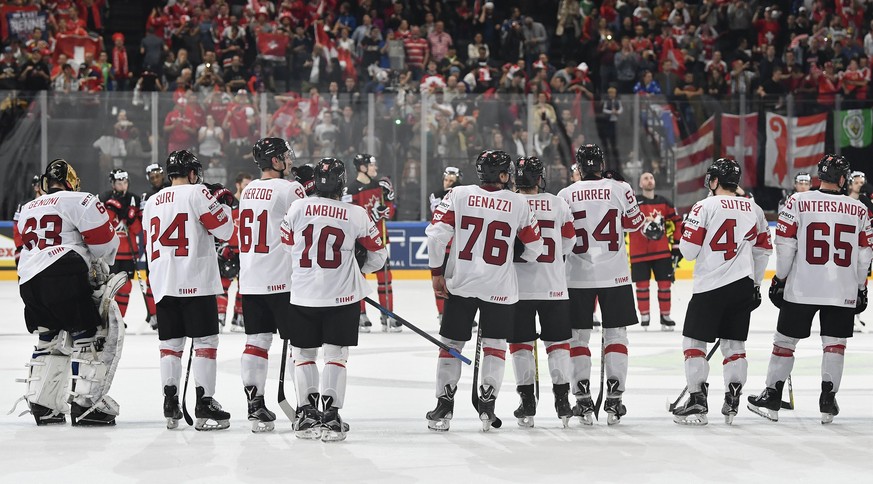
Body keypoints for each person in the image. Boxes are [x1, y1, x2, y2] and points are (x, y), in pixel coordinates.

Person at [748, 155, 872, 425]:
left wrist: (780, 278)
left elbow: (785, 244)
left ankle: (772, 395)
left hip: (802, 287)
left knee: (784, 343)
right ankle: (828, 400)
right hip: (842, 289)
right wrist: (861, 287)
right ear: (842, 179)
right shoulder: (859, 209)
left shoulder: (798, 201)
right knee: (835, 346)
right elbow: (864, 255)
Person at [425, 150, 543, 432]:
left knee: (451, 346)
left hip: (462, 284)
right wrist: (513, 255)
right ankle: (487, 405)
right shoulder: (518, 202)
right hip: (499, 287)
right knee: (495, 346)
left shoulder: (458, 194)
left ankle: (444, 406)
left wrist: (437, 274)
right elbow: (535, 248)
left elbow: (436, 236)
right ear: (503, 175)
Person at [280, 158, 388, 441]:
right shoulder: (356, 214)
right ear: (342, 183)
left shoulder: (297, 207)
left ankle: (306, 414)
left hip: (302, 294)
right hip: (342, 297)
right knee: (336, 356)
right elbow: (378, 257)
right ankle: (330, 416)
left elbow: (287, 244)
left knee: (303, 355)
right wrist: (357, 266)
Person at [15, 159, 123, 426]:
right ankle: (86, 405)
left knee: (48, 339)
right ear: (71, 180)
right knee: (94, 335)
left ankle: (43, 404)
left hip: (28, 281)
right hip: (62, 274)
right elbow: (105, 244)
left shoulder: (28, 207)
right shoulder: (80, 199)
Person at [671, 158, 772, 426]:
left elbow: (689, 252)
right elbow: (763, 251)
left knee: (694, 344)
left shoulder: (703, 206)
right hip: (742, 286)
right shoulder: (754, 208)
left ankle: (697, 401)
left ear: (715, 181)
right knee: (735, 345)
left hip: (710, 286)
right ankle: (732, 399)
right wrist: (755, 284)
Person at [143, 150, 235, 431]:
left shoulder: (150, 201)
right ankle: (204, 402)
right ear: (192, 173)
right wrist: (225, 207)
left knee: (170, 346)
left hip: (163, 282)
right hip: (195, 280)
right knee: (206, 343)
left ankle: (170, 402)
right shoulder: (198, 193)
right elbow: (226, 231)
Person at [558, 144, 644, 425]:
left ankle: (582, 398)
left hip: (577, 276)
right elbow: (635, 224)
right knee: (617, 335)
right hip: (615, 275)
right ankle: (615, 398)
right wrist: (620, 188)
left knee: (577, 338)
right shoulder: (620, 187)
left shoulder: (565, 194)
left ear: (579, 167)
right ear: (601, 163)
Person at [236, 138, 306, 432]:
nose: (289, 160)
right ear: (275, 161)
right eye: (285, 157)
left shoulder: (248, 189)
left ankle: (255, 406)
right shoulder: (291, 189)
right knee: (300, 346)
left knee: (256, 342)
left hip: (251, 280)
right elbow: (308, 223)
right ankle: (306, 406)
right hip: (283, 280)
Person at [509, 156, 576, 427]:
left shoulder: (510, 203)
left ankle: (527, 402)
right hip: (554, 287)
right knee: (558, 345)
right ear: (540, 178)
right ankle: (562, 400)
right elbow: (569, 241)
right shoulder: (559, 203)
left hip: (518, 289)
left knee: (520, 346)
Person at [344, 154, 398, 332]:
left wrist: (389, 200)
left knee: (385, 279)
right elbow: (349, 217)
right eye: (372, 165)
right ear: (362, 167)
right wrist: (372, 216)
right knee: (359, 281)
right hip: (359, 243)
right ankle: (360, 315)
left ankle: (387, 314)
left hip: (379, 240)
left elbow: (390, 212)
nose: (375, 168)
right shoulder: (351, 190)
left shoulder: (378, 187)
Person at [628, 172, 682, 330]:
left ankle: (665, 316)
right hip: (639, 252)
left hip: (661, 252)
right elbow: (625, 220)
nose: (649, 180)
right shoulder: (634, 203)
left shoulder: (664, 202)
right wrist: (644, 220)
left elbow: (678, 222)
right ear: (640, 183)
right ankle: (644, 315)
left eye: (651, 177)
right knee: (642, 285)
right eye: (645, 178)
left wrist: (677, 245)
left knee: (665, 285)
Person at [99, 170, 142, 319]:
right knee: (108, 288)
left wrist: (131, 218)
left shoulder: (134, 200)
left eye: (125, 182)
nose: (123, 186)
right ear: (113, 184)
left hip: (129, 253)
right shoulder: (104, 199)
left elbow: (138, 231)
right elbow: (102, 228)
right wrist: (111, 212)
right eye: (119, 183)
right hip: (110, 254)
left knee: (126, 287)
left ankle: (119, 319)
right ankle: (105, 318)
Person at [216, 172, 252, 332]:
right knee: (223, 285)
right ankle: (220, 317)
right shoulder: (228, 202)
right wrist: (221, 245)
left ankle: (239, 319)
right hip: (229, 250)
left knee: (245, 286)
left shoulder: (251, 203)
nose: (247, 188)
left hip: (245, 250)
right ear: (238, 184)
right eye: (245, 184)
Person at [428, 166, 462, 323]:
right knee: (439, 280)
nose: (448, 183)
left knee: (457, 282)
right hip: (443, 244)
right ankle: (442, 313)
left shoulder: (461, 196)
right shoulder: (436, 195)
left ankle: (456, 311)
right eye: (446, 180)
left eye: (451, 181)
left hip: (457, 246)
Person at [140, 164, 171, 330]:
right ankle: (153, 313)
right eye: (152, 177)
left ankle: (167, 311)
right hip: (154, 245)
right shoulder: (146, 196)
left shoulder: (172, 190)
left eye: (157, 175)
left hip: (170, 243)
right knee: (152, 279)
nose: (155, 179)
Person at [12, 175, 44, 266]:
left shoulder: (54, 203)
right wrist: (20, 247)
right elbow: (16, 227)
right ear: (36, 187)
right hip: (26, 250)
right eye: (42, 184)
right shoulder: (24, 205)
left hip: (44, 250)